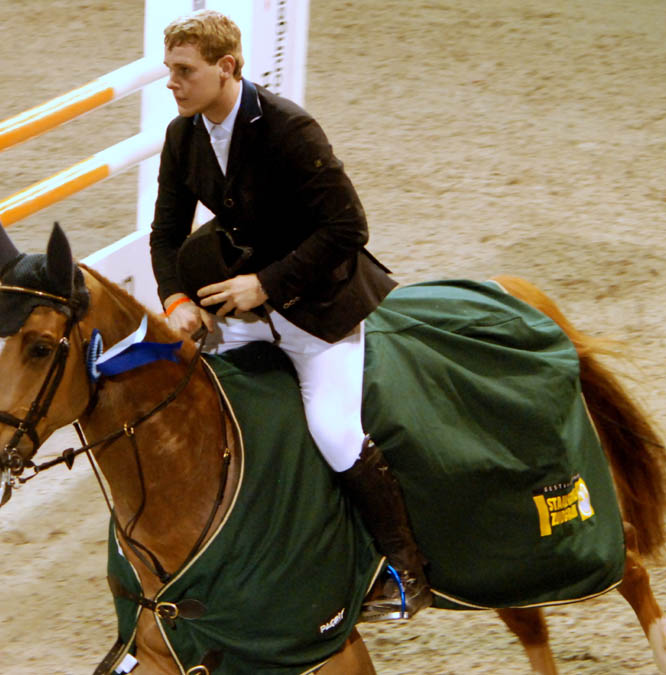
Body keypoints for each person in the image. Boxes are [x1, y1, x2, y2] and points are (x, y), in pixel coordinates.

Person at [149, 9, 430, 620]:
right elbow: (166, 233)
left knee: (333, 431)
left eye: (183, 71)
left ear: (226, 68)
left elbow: (349, 227)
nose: (171, 83)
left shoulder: (289, 129)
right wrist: (175, 301)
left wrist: (264, 284)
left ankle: (406, 570)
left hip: (320, 309)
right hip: (240, 313)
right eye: (169, 69)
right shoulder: (183, 134)